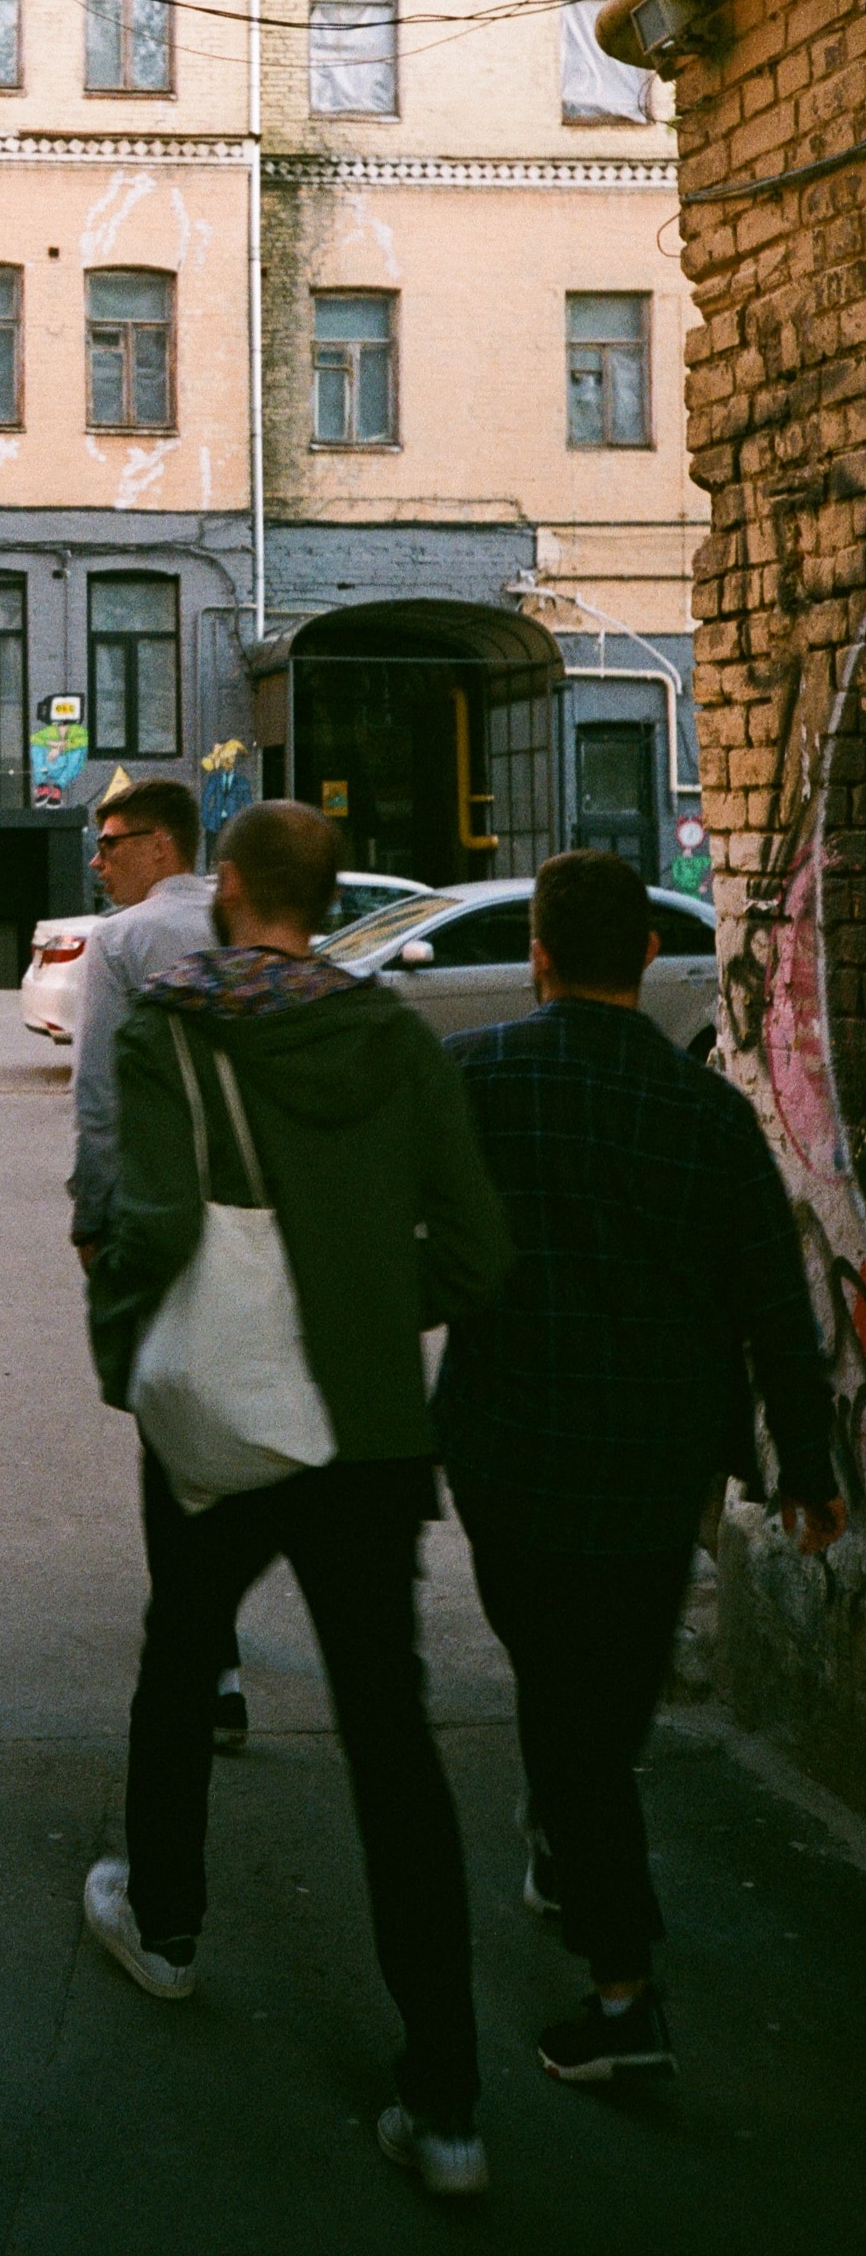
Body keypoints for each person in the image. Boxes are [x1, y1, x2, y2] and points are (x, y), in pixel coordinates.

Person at [84, 799, 513, 2199]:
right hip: (370, 1432)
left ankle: (162, 1919)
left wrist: (121, 1355)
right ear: (325, 902)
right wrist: (385, 1313)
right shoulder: (391, 1035)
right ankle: (444, 2104)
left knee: (178, 1656)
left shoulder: (167, 1023)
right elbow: (477, 1245)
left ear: (225, 888)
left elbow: (144, 1221)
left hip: (215, 1415)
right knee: (388, 1737)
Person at [438, 847, 846, 2090]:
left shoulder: (476, 1077)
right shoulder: (710, 1117)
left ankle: (624, 1994)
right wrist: (807, 1470)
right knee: (594, 1695)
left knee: (564, 1700)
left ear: (538, 953)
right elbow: (773, 1308)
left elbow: (423, 1250)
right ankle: (569, 1836)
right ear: (648, 961)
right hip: (657, 1465)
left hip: (509, 1452)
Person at [69, 778, 247, 1751]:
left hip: (157, 1213)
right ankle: (227, 1635)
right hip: (261, 1211)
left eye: (108, 842)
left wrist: (89, 1213)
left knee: (170, 1420)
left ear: (159, 845)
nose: (96, 860)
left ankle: (205, 1659)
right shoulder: (244, 919)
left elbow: (98, 1093)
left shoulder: (123, 941)